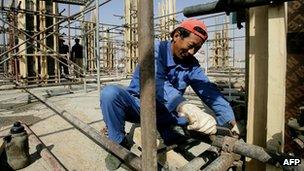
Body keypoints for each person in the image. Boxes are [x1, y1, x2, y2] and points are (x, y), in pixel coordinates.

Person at [100, 18, 239, 170]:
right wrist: (184, 105)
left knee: (188, 128)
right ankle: (118, 144)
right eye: (191, 46)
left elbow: (209, 91)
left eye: (197, 49)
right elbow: (157, 83)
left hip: (165, 113)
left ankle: (171, 140)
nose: (192, 52)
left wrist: (231, 120)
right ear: (177, 35)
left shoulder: (191, 64)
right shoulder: (155, 51)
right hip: (138, 106)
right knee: (110, 94)